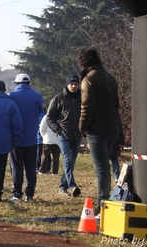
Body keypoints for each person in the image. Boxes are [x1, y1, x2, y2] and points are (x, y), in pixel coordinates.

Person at [78, 48, 119, 216]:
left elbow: (87, 107)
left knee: (101, 169)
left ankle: (103, 204)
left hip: (97, 130)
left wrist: (82, 127)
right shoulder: (110, 78)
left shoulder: (89, 79)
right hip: (112, 127)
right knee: (106, 167)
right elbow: (116, 105)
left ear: (83, 63)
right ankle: (107, 200)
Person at [8, 73, 43, 203]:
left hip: (16, 139)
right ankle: (30, 194)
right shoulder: (37, 96)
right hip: (32, 138)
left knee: (16, 167)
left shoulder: (11, 96)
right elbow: (39, 111)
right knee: (30, 167)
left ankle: (17, 194)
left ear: (17, 84)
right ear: (29, 83)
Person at [46, 75, 82, 197]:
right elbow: (49, 117)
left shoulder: (81, 98)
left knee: (71, 162)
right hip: (63, 134)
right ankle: (72, 186)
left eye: (76, 84)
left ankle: (62, 186)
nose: (74, 86)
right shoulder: (58, 99)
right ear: (67, 85)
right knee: (68, 159)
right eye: (71, 84)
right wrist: (58, 130)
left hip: (77, 135)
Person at [110, 113, 125, 182]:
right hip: (114, 137)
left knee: (112, 158)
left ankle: (114, 176)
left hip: (109, 137)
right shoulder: (114, 111)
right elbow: (119, 125)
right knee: (114, 158)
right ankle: (117, 176)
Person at [36, 100, 47, 171]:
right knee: (38, 154)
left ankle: (46, 167)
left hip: (46, 137)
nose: (44, 105)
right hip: (38, 137)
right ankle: (37, 167)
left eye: (45, 103)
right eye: (43, 103)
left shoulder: (47, 113)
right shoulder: (36, 113)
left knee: (46, 154)